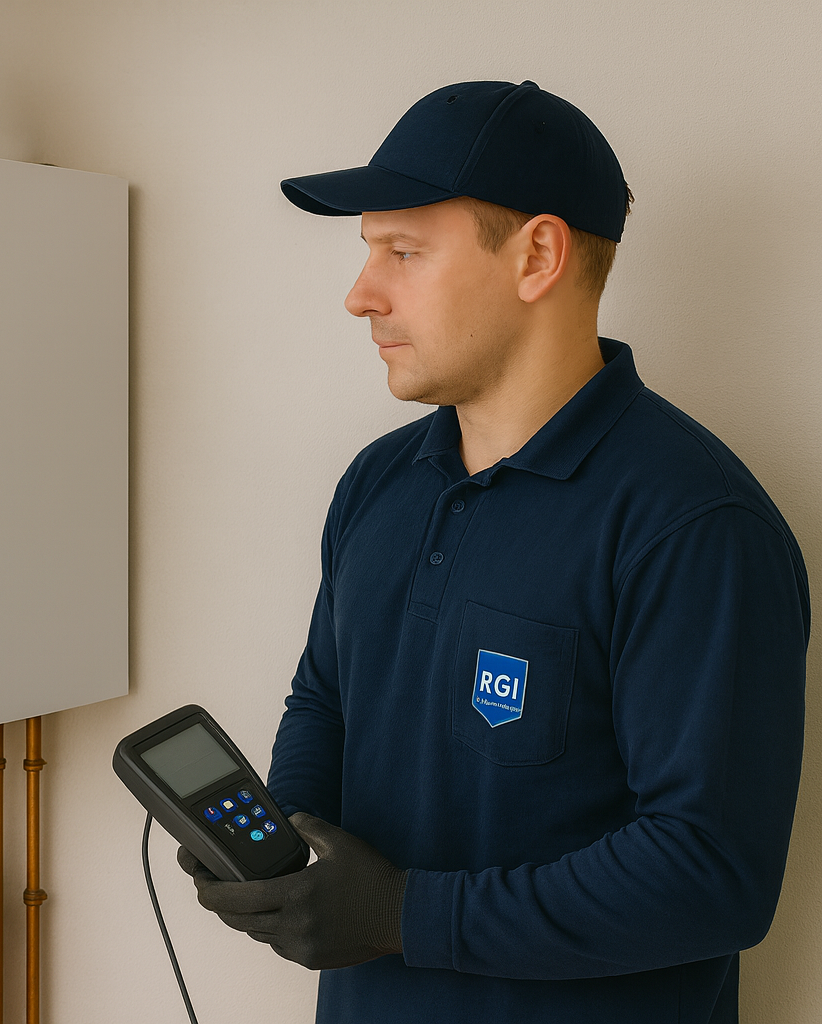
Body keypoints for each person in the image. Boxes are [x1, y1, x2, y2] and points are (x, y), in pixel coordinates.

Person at [178, 80, 810, 1023]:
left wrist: (399, 913)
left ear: (538, 256)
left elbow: (709, 874)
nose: (360, 295)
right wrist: (287, 851)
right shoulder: (377, 483)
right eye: (368, 253)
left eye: (404, 251)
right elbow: (327, 698)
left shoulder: (694, 526)